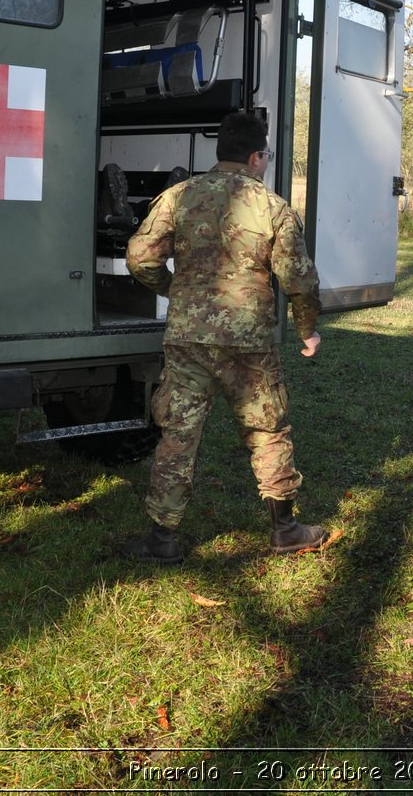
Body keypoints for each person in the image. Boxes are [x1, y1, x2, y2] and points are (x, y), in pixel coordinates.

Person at [119, 112, 329, 562]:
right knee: (267, 430)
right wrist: (308, 330)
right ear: (257, 156)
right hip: (249, 343)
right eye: (266, 156)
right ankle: (286, 529)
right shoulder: (273, 207)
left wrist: (173, 288)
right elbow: (299, 280)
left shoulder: (179, 196)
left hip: (189, 339)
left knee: (177, 434)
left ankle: (161, 540)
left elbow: (139, 257)